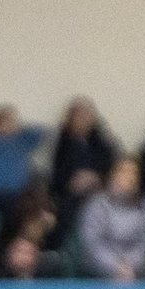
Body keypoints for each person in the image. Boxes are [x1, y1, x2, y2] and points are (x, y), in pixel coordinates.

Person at [77, 155, 145, 281]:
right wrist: (116, 267)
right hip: (98, 274)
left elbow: (144, 243)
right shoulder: (96, 205)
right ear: (113, 176)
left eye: (133, 173)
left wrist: (129, 266)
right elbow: (92, 246)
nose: (129, 177)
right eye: (124, 172)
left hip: (133, 273)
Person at [47, 97, 118, 228]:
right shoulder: (58, 142)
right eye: (78, 116)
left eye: (87, 116)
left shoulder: (103, 143)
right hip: (66, 193)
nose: (82, 120)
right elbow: (52, 173)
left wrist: (96, 178)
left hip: (100, 191)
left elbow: (113, 168)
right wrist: (72, 182)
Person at [0, 104, 46, 210]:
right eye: (1, 120)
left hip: (16, 193)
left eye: (9, 120)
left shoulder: (22, 138)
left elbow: (42, 131)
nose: (4, 124)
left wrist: (17, 128)